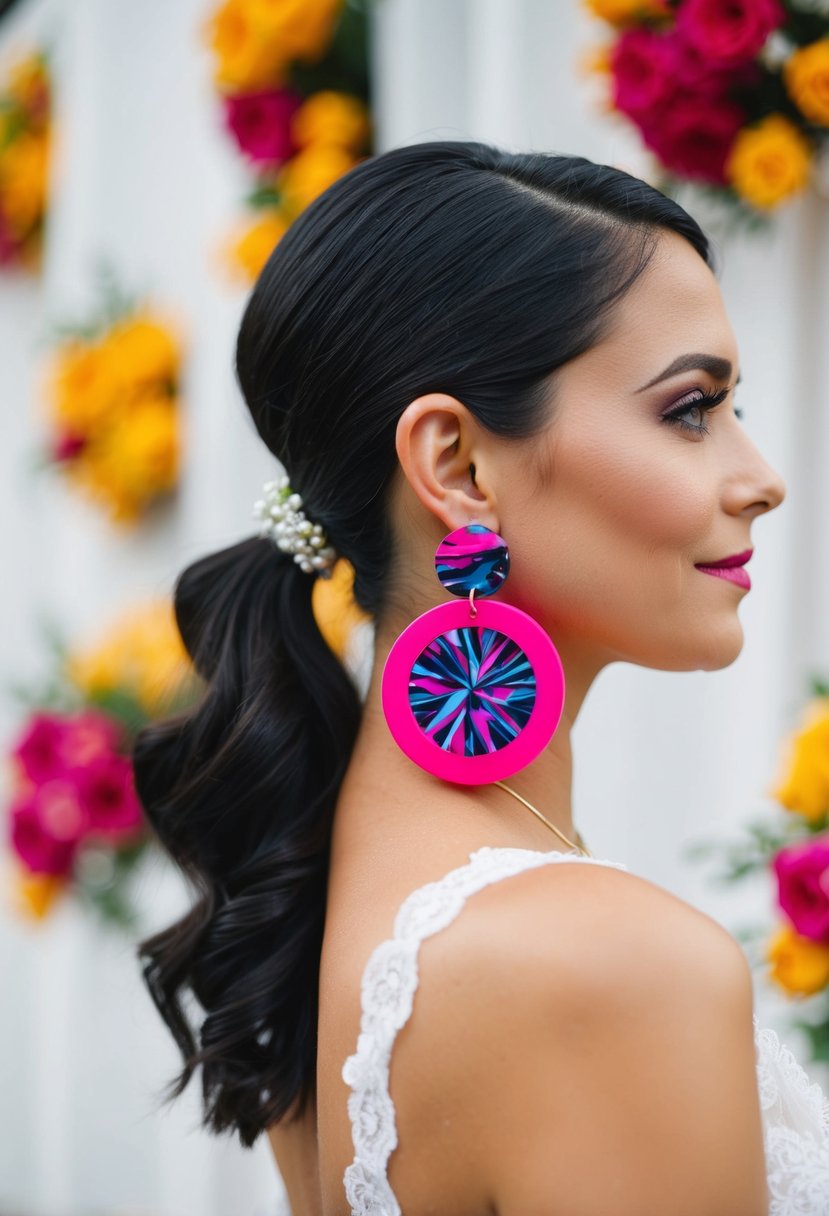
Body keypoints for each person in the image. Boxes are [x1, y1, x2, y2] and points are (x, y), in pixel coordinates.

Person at [132, 140, 829, 1216]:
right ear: (456, 465)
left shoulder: (315, 906)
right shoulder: (601, 965)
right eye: (690, 408)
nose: (759, 478)